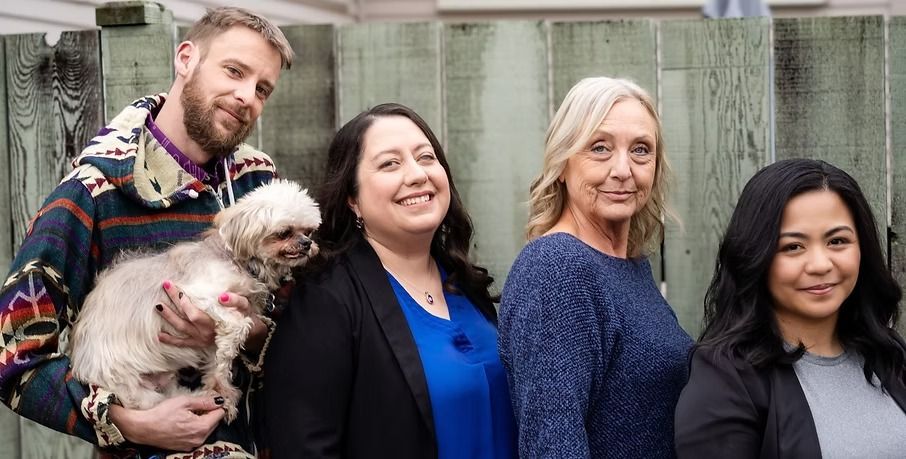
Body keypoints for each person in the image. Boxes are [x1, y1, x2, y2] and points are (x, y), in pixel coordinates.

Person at [0, 7, 293, 457]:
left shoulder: (260, 184)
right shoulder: (92, 192)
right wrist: (130, 422)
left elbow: (301, 320)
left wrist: (247, 330)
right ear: (186, 58)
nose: (246, 96)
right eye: (234, 71)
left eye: (262, 89)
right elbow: (14, 357)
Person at [263, 103, 517, 458]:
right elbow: (305, 446)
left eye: (426, 157)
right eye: (390, 164)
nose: (416, 175)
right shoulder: (327, 300)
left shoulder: (466, 283)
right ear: (353, 199)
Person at [498, 76, 693, 458]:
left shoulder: (629, 266)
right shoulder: (558, 269)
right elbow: (551, 443)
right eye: (600, 148)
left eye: (641, 150)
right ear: (562, 161)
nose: (623, 169)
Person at [674, 159, 906, 458]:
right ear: (756, 257)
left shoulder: (888, 354)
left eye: (837, 241)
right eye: (793, 247)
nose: (821, 265)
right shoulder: (724, 381)